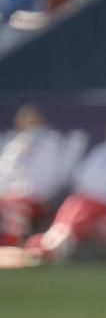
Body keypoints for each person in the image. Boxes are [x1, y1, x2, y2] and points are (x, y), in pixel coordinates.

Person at [25, 117, 106, 263]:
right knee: (72, 208)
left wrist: (98, 184)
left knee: (81, 212)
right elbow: (81, 175)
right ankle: (51, 242)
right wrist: (94, 185)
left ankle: (56, 249)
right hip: (87, 199)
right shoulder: (101, 151)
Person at [0, 105, 65, 246]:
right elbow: (3, 174)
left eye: (34, 123)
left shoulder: (51, 142)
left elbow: (52, 178)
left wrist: (25, 193)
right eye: (27, 122)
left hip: (35, 199)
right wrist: (17, 154)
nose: (30, 127)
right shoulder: (11, 143)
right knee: (9, 203)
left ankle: (11, 248)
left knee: (14, 206)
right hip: (7, 196)